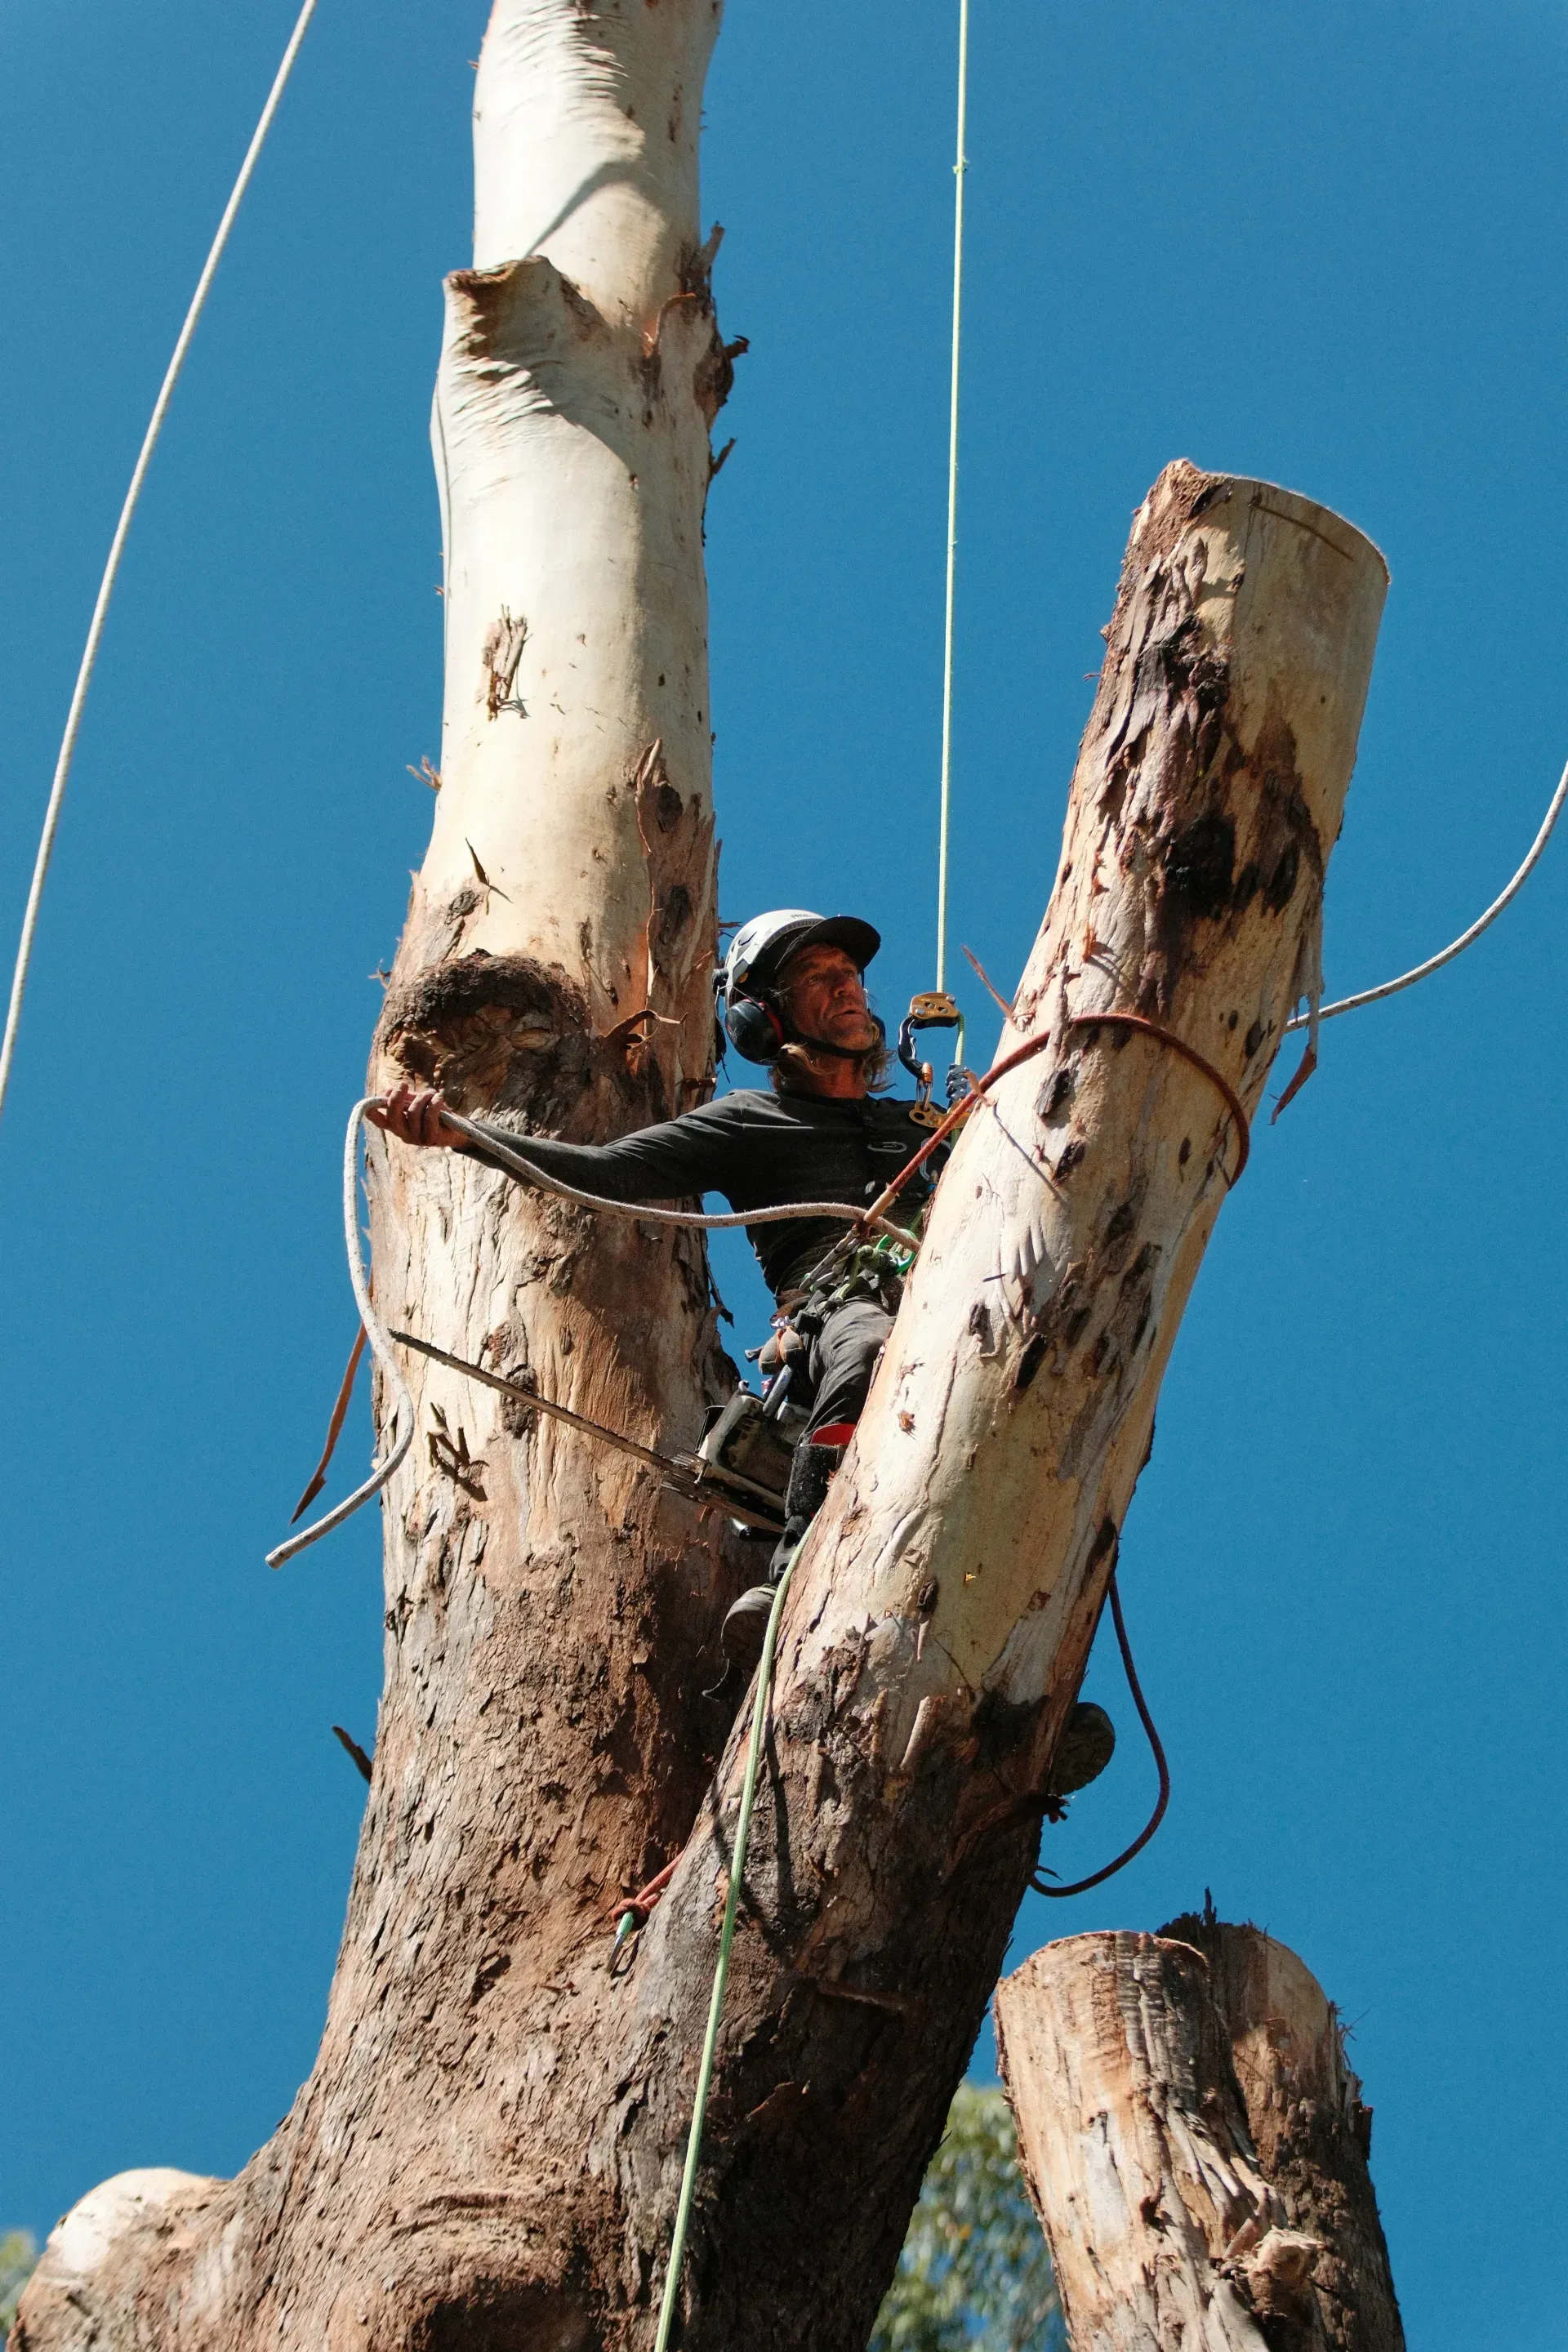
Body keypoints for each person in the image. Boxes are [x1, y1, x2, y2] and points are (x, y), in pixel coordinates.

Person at [370, 910, 1113, 1794]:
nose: (847, 988)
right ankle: (798, 1572)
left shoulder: (929, 1125)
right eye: (817, 978)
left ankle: (1026, 1702)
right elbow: (607, 1175)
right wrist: (468, 1135)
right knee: (872, 1346)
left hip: (972, 1316)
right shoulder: (751, 1120)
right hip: (847, 1320)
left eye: (850, 972)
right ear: (764, 1019)